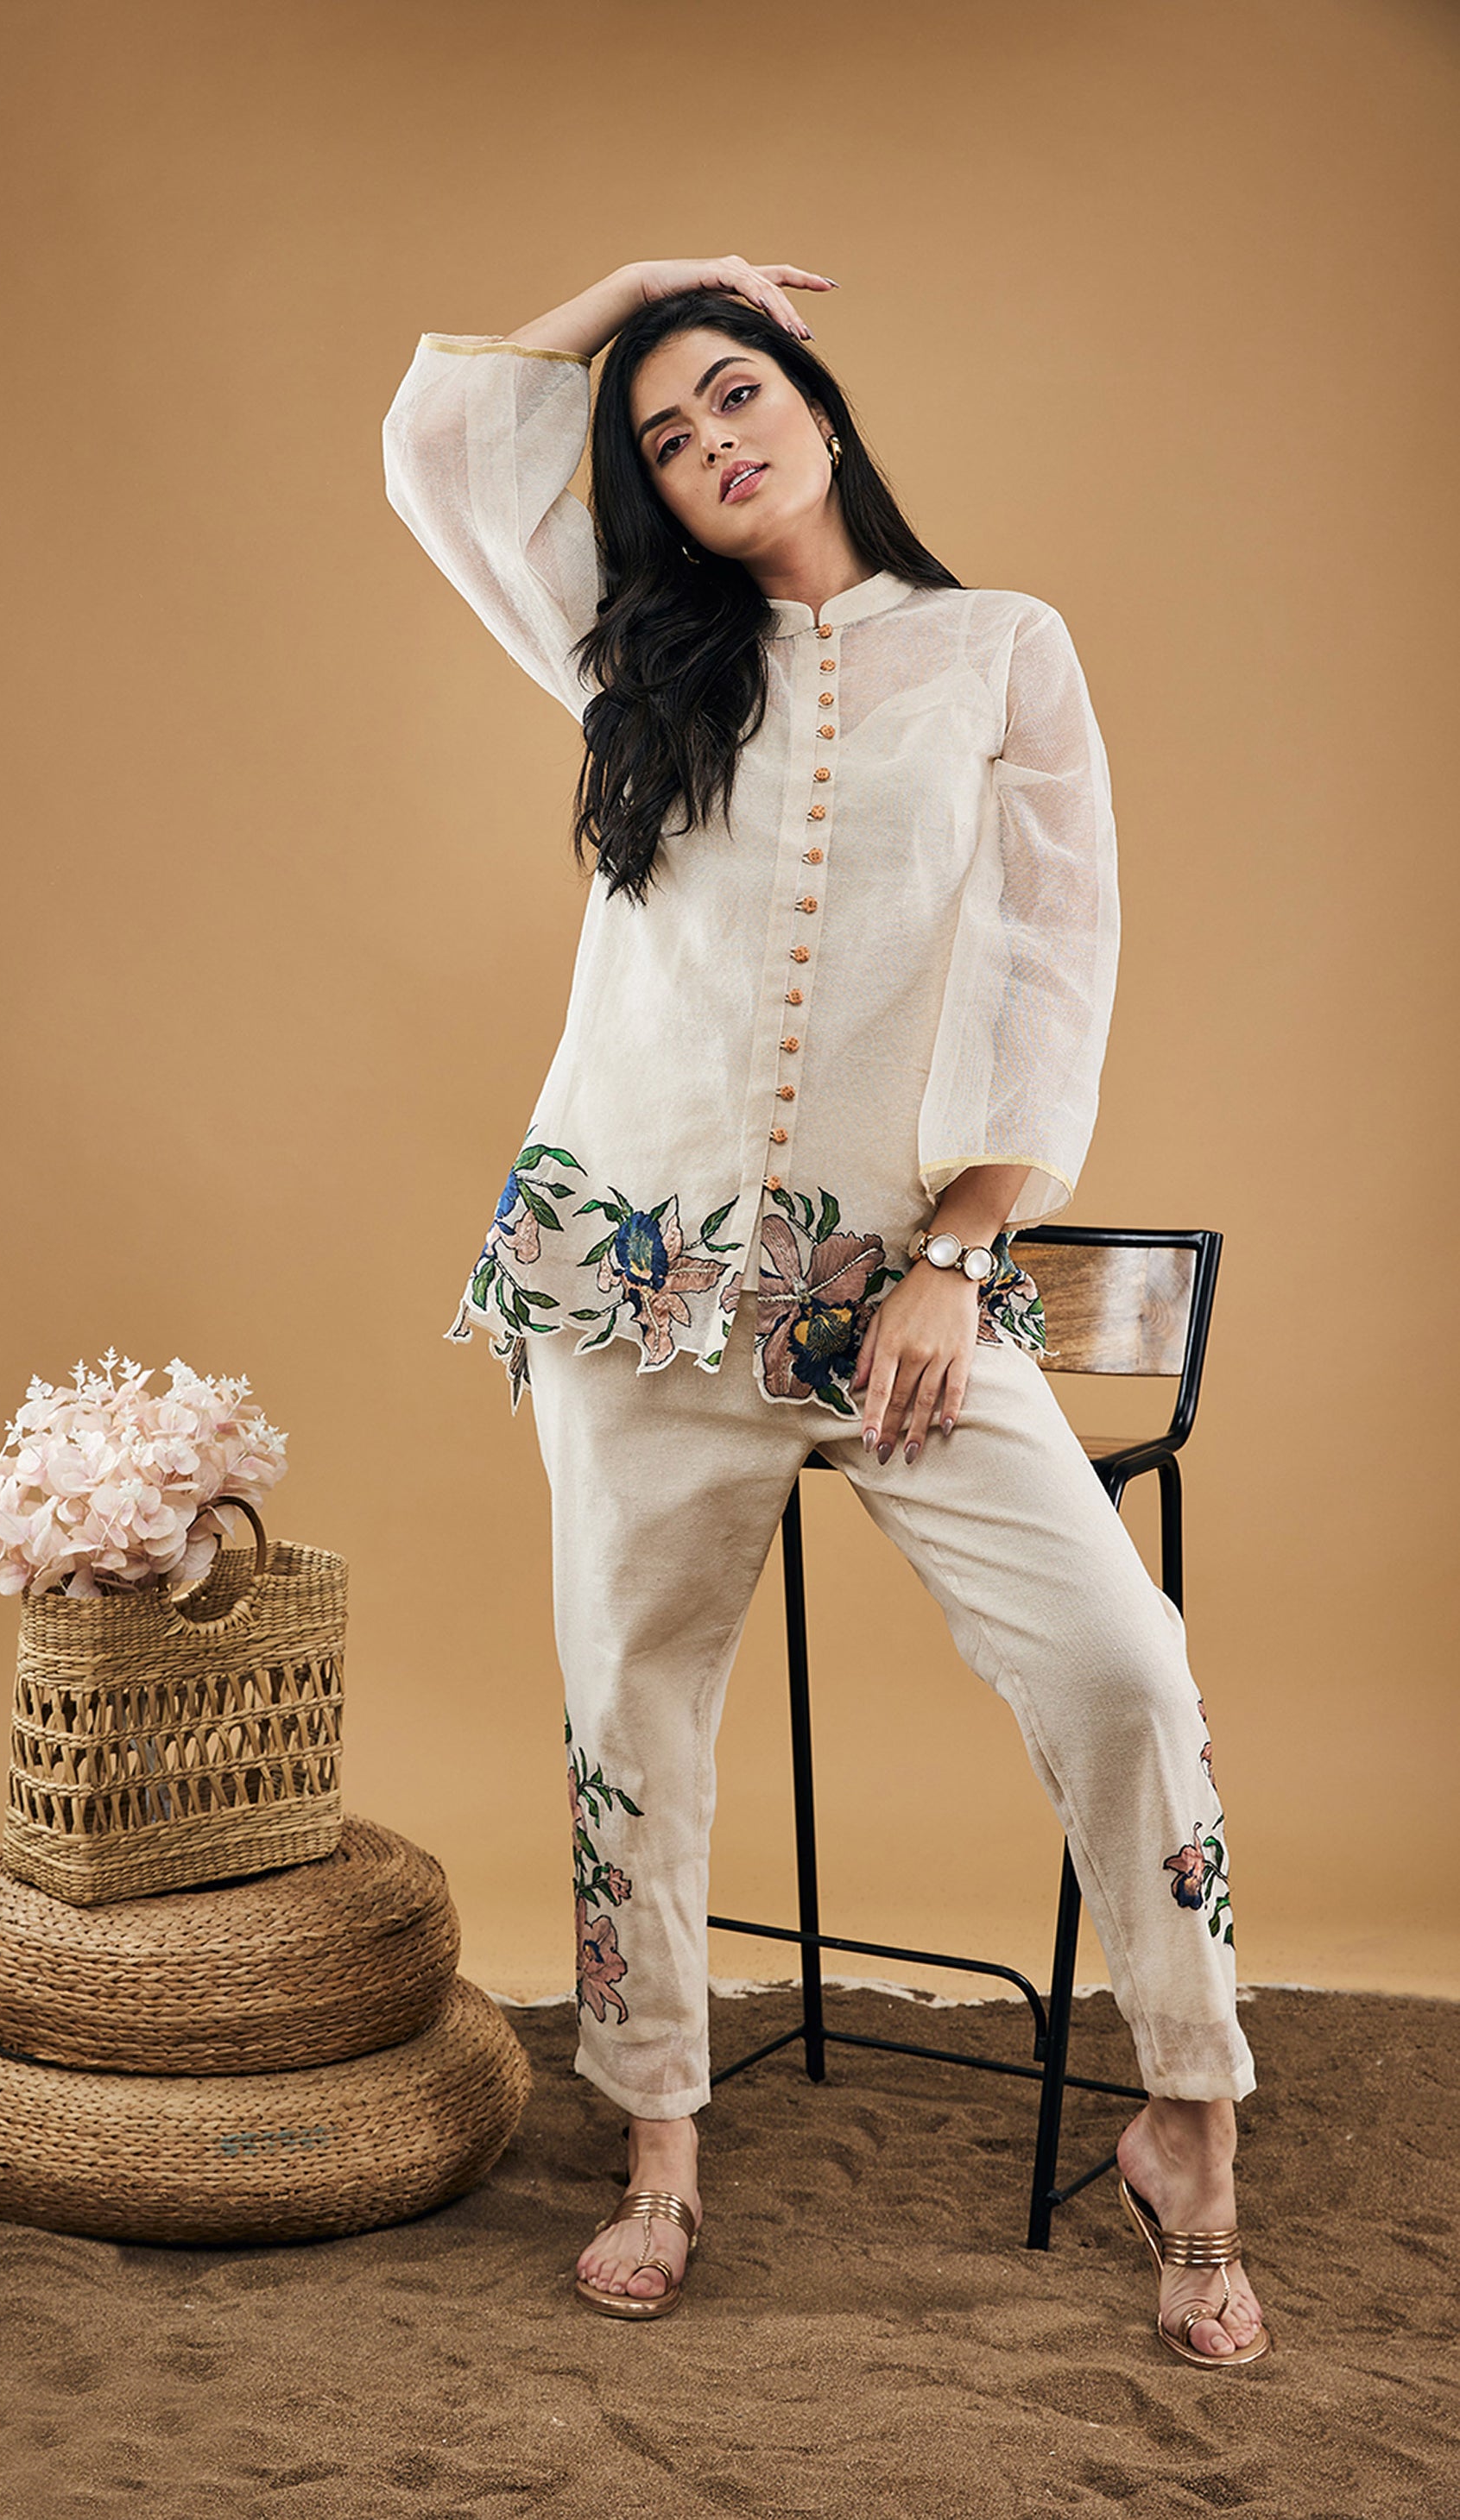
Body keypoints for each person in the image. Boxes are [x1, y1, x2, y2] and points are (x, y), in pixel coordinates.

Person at [382, 256, 1268, 2366]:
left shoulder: (998, 648)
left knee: (1120, 1658)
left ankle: (1188, 2123)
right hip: (623, 1280)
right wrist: (644, 283)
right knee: (631, 1706)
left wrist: (956, 1260)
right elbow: (441, 440)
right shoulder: (632, 650)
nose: (712, 442)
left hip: (886, 1296)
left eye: (737, 391)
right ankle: (659, 2145)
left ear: (821, 405)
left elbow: (1052, 962)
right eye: (666, 436)